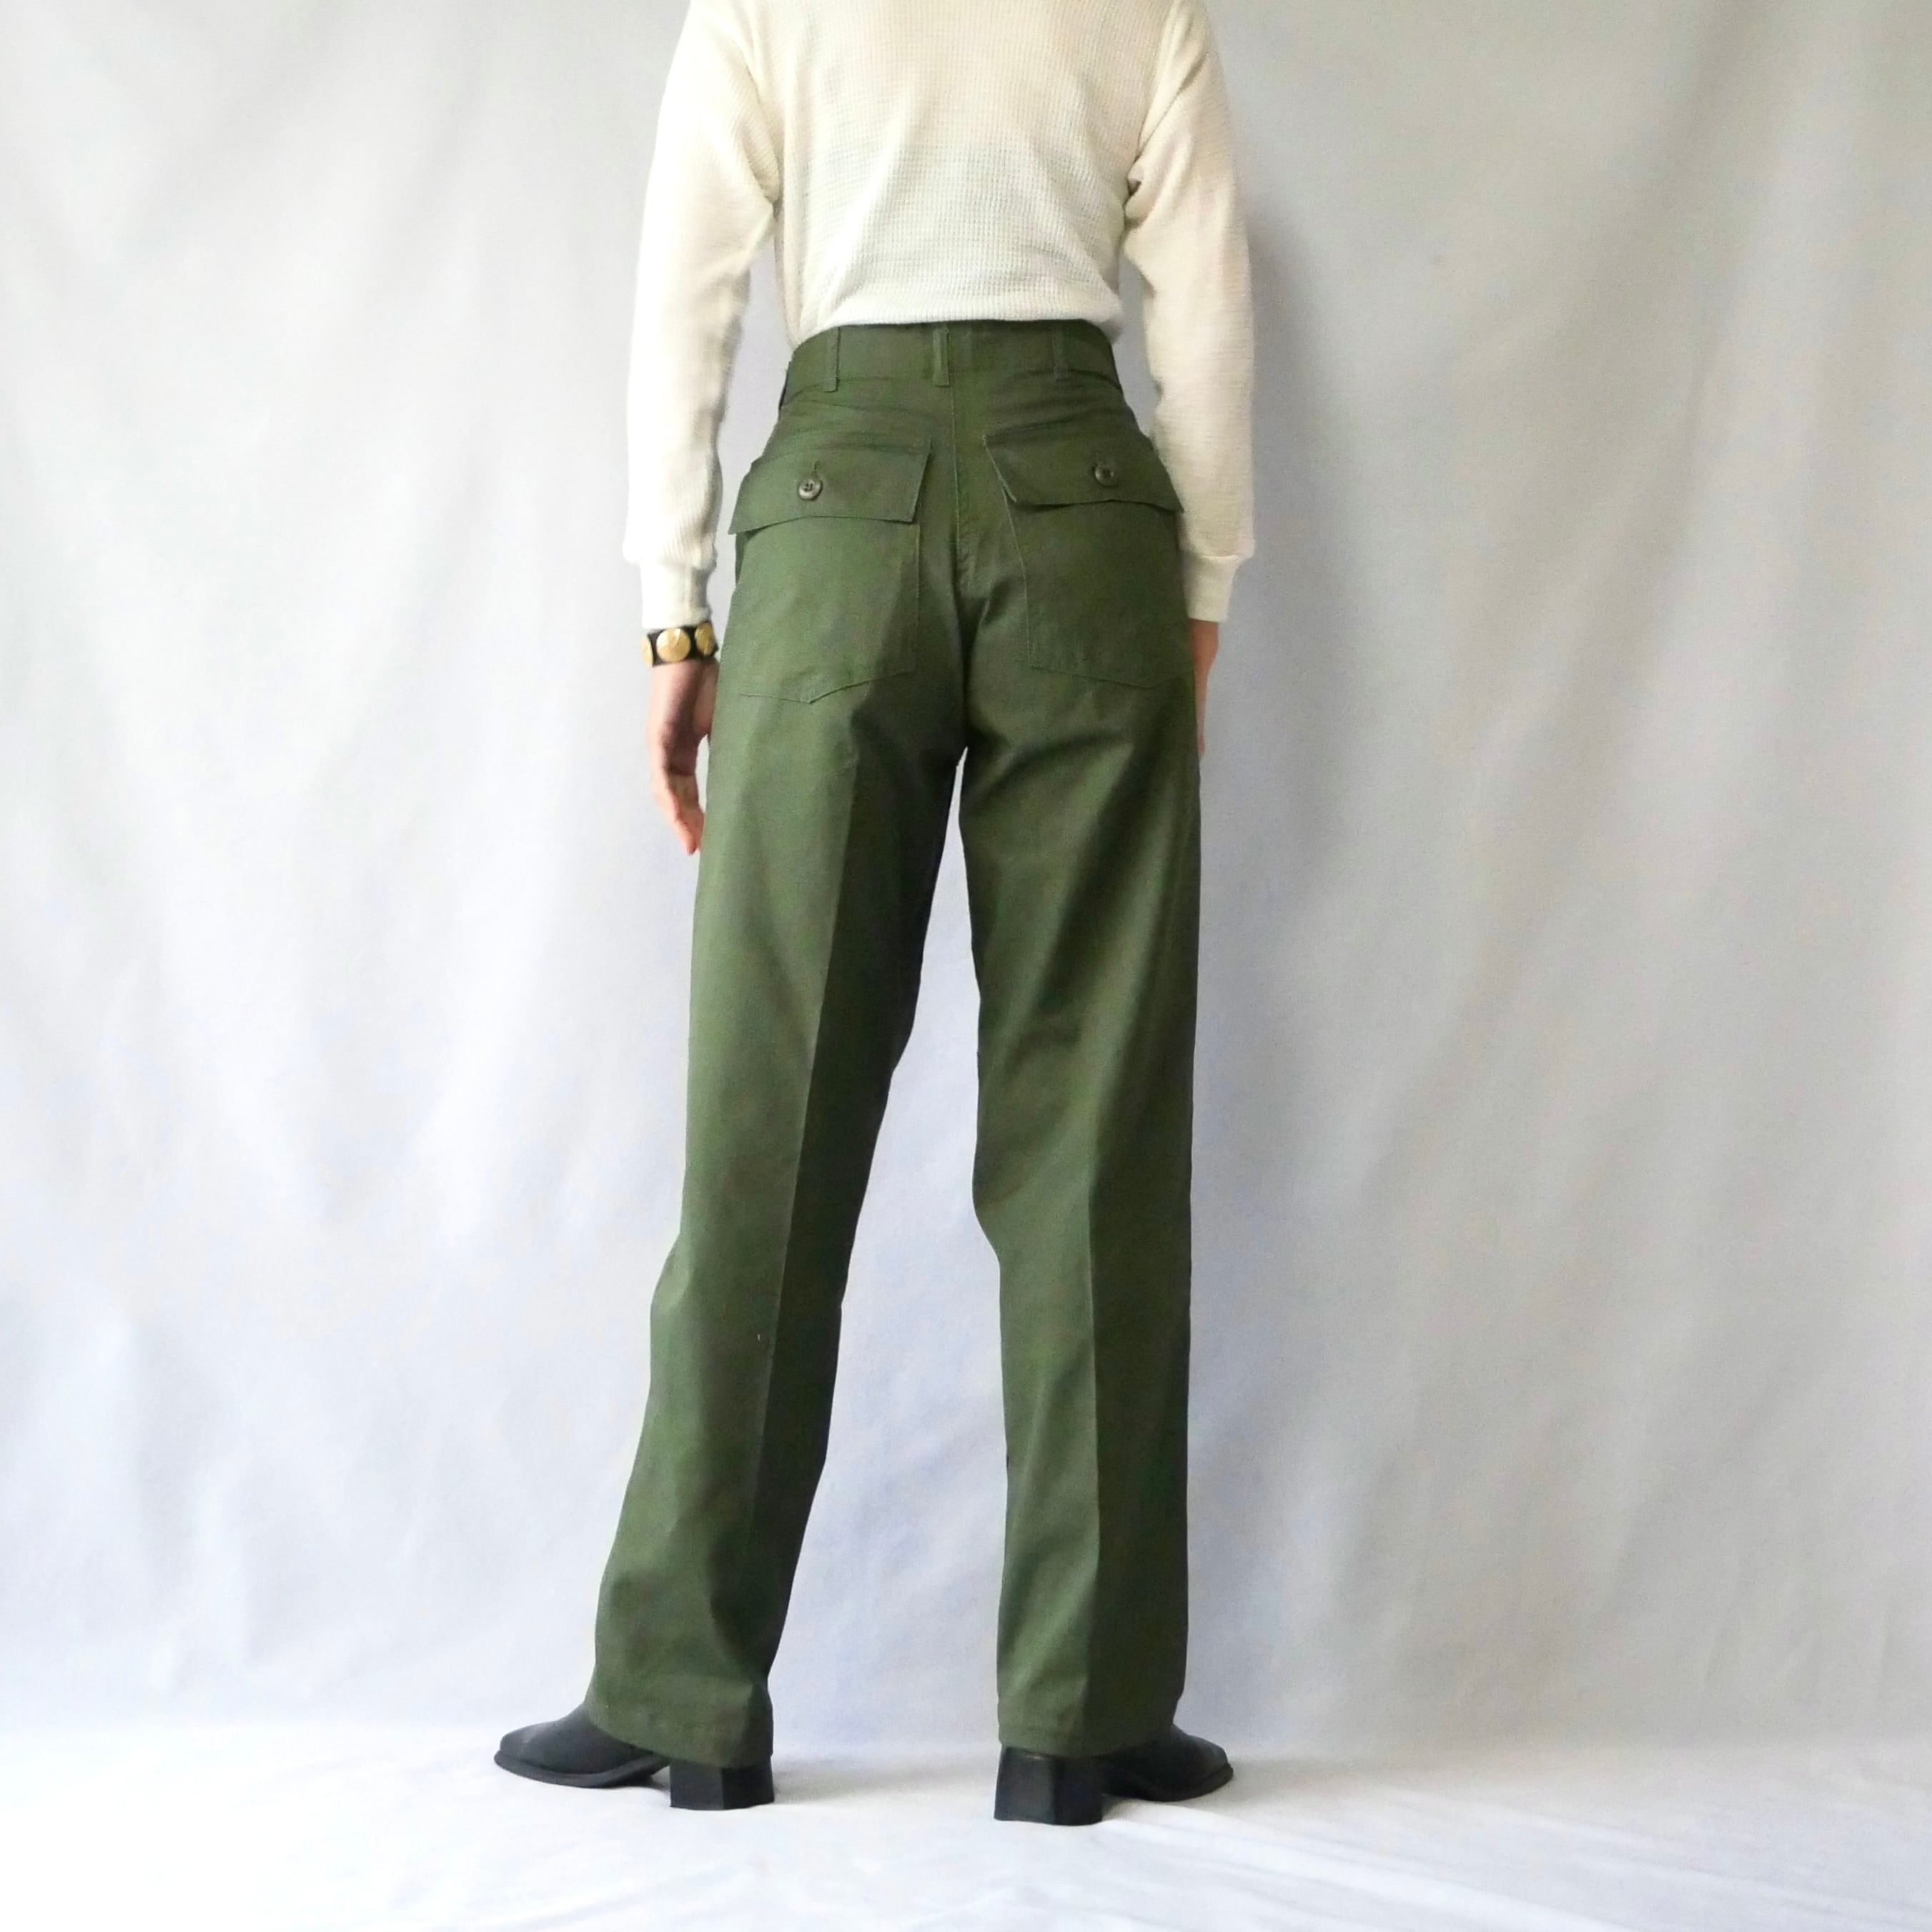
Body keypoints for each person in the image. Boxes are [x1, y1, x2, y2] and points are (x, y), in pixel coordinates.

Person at [495, 0, 1254, 1826]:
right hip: (1083, 511)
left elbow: (685, 289)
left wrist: (674, 608)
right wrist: (1198, 582)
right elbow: (1208, 311)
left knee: (771, 1111)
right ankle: (1078, 1712)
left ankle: (683, 1692)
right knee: (1091, 1123)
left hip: (834, 522)